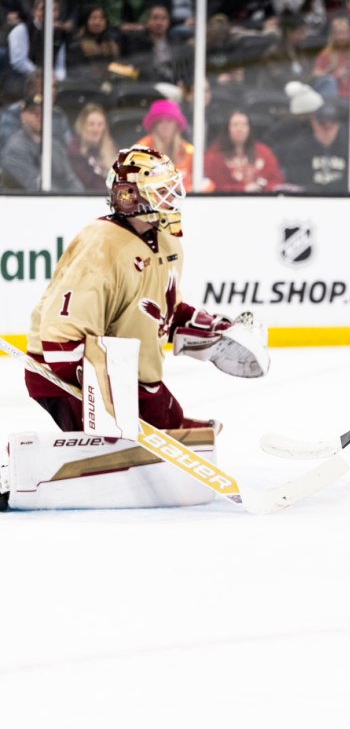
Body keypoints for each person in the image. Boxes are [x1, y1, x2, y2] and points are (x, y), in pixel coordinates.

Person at [5, 145, 269, 511]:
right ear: (129, 196)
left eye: (170, 188)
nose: (171, 197)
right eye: (161, 190)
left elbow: (162, 311)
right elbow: (61, 331)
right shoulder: (101, 243)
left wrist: (210, 334)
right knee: (150, 432)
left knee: (175, 424)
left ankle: (155, 430)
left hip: (135, 376)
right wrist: (106, 390)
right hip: (65, 374)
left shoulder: (167, 240)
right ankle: (13, 474)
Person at [0, 93, 81, 190]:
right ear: (23, 116)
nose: (39, 116)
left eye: (43, 112)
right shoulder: (15, 148)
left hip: (64, 201)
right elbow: (36, 185)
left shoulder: (55, 145)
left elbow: (71, 180)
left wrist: (81, 198)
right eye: (33, 112)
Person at [203, 110, 285, 192]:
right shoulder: (214, 155)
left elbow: (276, 179)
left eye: (244, 125)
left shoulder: (264, 152)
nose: (240, 129)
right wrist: (242, 189)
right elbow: (214, 185)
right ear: (227, 129)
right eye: (235, 125)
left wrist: (263, 188)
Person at [135, 99, 206, 192]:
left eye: (169, 121)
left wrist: (184, 189)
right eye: (160, 121)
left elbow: (201, 184)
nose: (165, 126)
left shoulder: (189, 152)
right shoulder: (141, 151)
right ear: (154, 125)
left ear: (176, 125)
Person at [67, 102, 118, 191]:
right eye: (91, 124)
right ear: (82, 126)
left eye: (100, 124)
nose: (96, 129)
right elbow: (89, 182)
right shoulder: (75, 149)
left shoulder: (111, 146)